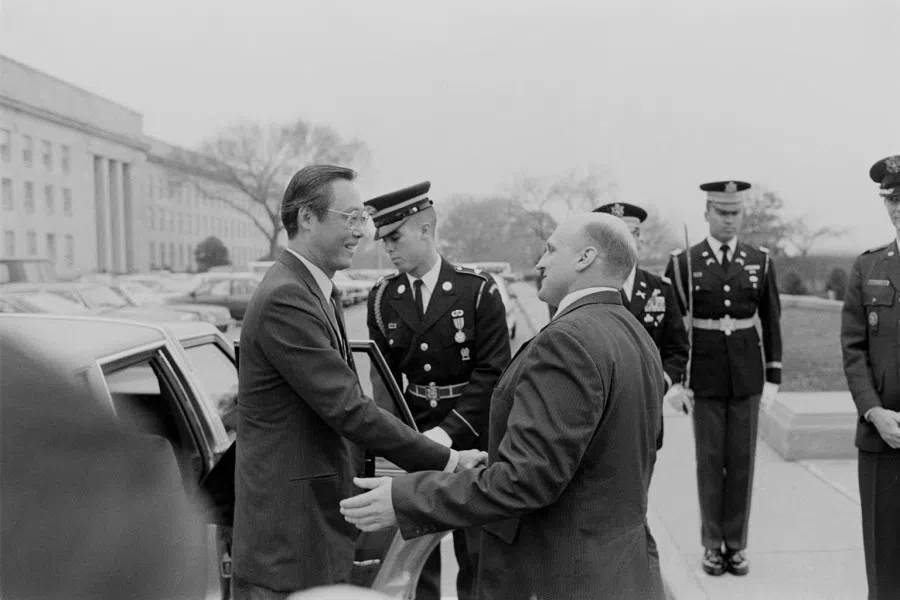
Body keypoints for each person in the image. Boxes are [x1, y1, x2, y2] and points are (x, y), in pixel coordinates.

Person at [341, 212, 665, 600]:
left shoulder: (567, 342)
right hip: (620, 569)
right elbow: (607, 456)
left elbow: (526, 482)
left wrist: (407, 497)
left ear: (585, 258)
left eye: (550, 250)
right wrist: (495, 462)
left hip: (565, 574)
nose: (539, 263)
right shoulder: (633, 333)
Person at [232, 165, 485, 599]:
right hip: (289, 539)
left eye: (361, 220)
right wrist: (446, 460)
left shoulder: (316, 289)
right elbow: (348, 407)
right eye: (350, 218)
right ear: (307, 218)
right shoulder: (286, 297)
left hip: (311, 525)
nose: (361, 233)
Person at [365, 182, 511, 600]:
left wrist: (449, 434)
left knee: (477, 550)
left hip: (474, 438)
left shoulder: (477, 290)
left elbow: (493, 372)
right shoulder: (381, 298)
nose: (388, 249)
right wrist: (402, 441)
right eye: (383, 240)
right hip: (414, 437)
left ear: (426, 228)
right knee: (416, 554)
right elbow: (385, 381)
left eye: (396, 237)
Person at [665, 180, 782, 577]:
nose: (729, 220)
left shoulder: (759, 260)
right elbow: (672, 328)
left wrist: (773, 377)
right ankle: (711, 545)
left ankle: (737, 545)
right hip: (706, 376)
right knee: (710, 462)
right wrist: (676, 380)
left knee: (743, 463)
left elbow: (772, 320)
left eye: (735, 213)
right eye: (721, 213)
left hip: (747, 374)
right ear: (707, 214)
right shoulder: (684, 262)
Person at [841, 154, 900, 600]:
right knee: (883, 568)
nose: (898, 206)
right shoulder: (868, 268)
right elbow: (854, 349)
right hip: (882, 436)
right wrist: (874, 411)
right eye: (892, 199)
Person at [594, 201, 689, 448]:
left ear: (640, 240)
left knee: (642, 484)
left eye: (631, 234)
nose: (625, 241)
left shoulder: (661, 288)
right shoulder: (587, 289)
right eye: (616, 235)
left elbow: (677, 348)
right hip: (599, 412)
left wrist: (662, 383)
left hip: (647, 410)